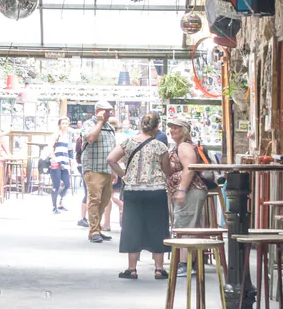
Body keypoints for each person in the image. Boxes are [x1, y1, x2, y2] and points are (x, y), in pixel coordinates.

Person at [107, 112, 172, 280]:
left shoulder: (128, 142)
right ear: (157, 127)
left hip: (133, 190)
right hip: (156, 191)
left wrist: (124, 175)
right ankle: (159, 269)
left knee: (132, 226)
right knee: (158, 226)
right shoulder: (160, 146)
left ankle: (132, 268)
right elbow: (167, 169)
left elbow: (111, 159)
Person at [168, 118, 209, 267]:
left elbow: (189, 168)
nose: (172, 130)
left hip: (190, 191)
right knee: (187, 226)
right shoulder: (182, 145)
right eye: (171, 127)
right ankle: (190, 263)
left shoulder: (184, 146)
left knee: (185, 227)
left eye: (176, 128)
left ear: (184, 130)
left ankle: (185, 264)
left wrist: (181, 190)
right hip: (189, 191)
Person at [81, 100, 116, 244]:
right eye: (105, 111)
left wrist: (114, 170)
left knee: (105, 199)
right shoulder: (89, 124)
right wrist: (99, 122)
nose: (108, 114)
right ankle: (93, 231)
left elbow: (113, 148)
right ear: (98, 111)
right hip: (93, 168)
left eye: (109, 111)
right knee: (94, 200)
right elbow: (90, 138)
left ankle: (98, 228)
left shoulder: (110, 127)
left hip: (107, 169)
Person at [48, 116, 74, 213]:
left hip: (65, 161)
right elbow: (50, 146)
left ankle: (60, 202)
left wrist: (70, 162)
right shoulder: (56, 134)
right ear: (59, 125)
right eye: (63, 123)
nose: (65, 125)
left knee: (67, 184)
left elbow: (69, 149)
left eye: (66, 123)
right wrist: (53, 158)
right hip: (56, 161)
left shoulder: (68, 135)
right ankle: (54, 206)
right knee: (56, 185)